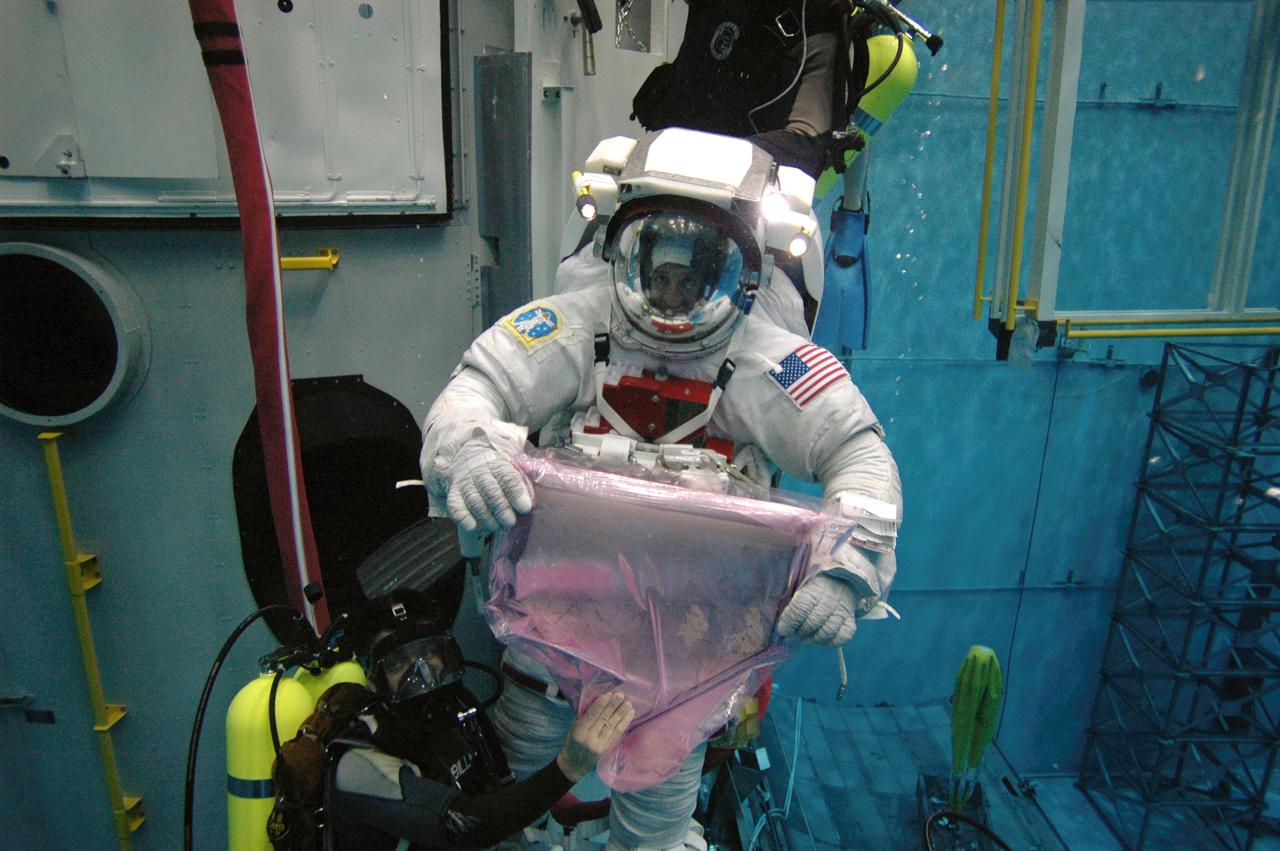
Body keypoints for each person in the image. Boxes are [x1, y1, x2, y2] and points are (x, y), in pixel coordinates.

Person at [421, 129, 901, 850]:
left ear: (739, 273)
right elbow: (477, 387)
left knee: (654, 836)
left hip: (684, 654)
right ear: (625, 254)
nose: (671, 298)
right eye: (659, 272)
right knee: (510, 808)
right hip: (550, 634)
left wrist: (847, 569)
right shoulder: (578, 325)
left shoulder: (770, 360)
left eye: (693, 277)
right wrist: (469, 451)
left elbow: (858, 452)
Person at [320, 591, 637, 850]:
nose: (421, 673)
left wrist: (563, 803)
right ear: (373, 676)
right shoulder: (357, 761)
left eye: (428, 652)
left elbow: (498, 787)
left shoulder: (457, 706)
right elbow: (462, 825)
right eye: (398, 663)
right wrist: (568, 767)